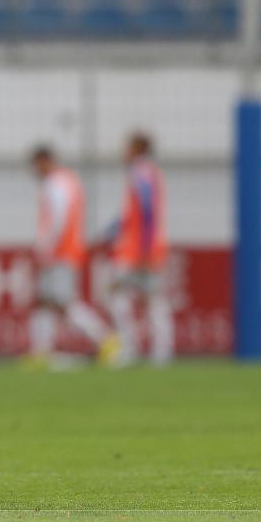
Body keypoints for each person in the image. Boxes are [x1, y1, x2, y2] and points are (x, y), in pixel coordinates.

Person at [27, 145, 116, 368]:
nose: (35, 171)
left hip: (60, 252)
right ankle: (41, 351)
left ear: (44, 161)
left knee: (64, 302)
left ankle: (105, 338)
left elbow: (58, 219)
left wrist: (47, 247)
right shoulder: (68, 181)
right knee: (45, 301)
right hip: (65, 250)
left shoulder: (55, 184)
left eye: (36, 165)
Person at [107, 132, 172, 367]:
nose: (123, 151)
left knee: (130, 296)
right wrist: (112, 230)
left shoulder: (141, 173)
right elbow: (132, 214)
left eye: (127, 146)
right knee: (146, 299)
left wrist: (144, 248)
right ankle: (158, 351)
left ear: (137, 149)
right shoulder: (146, 173)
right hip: (140, 248)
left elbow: (148, 213)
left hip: (140, 250)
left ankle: (140, 349)